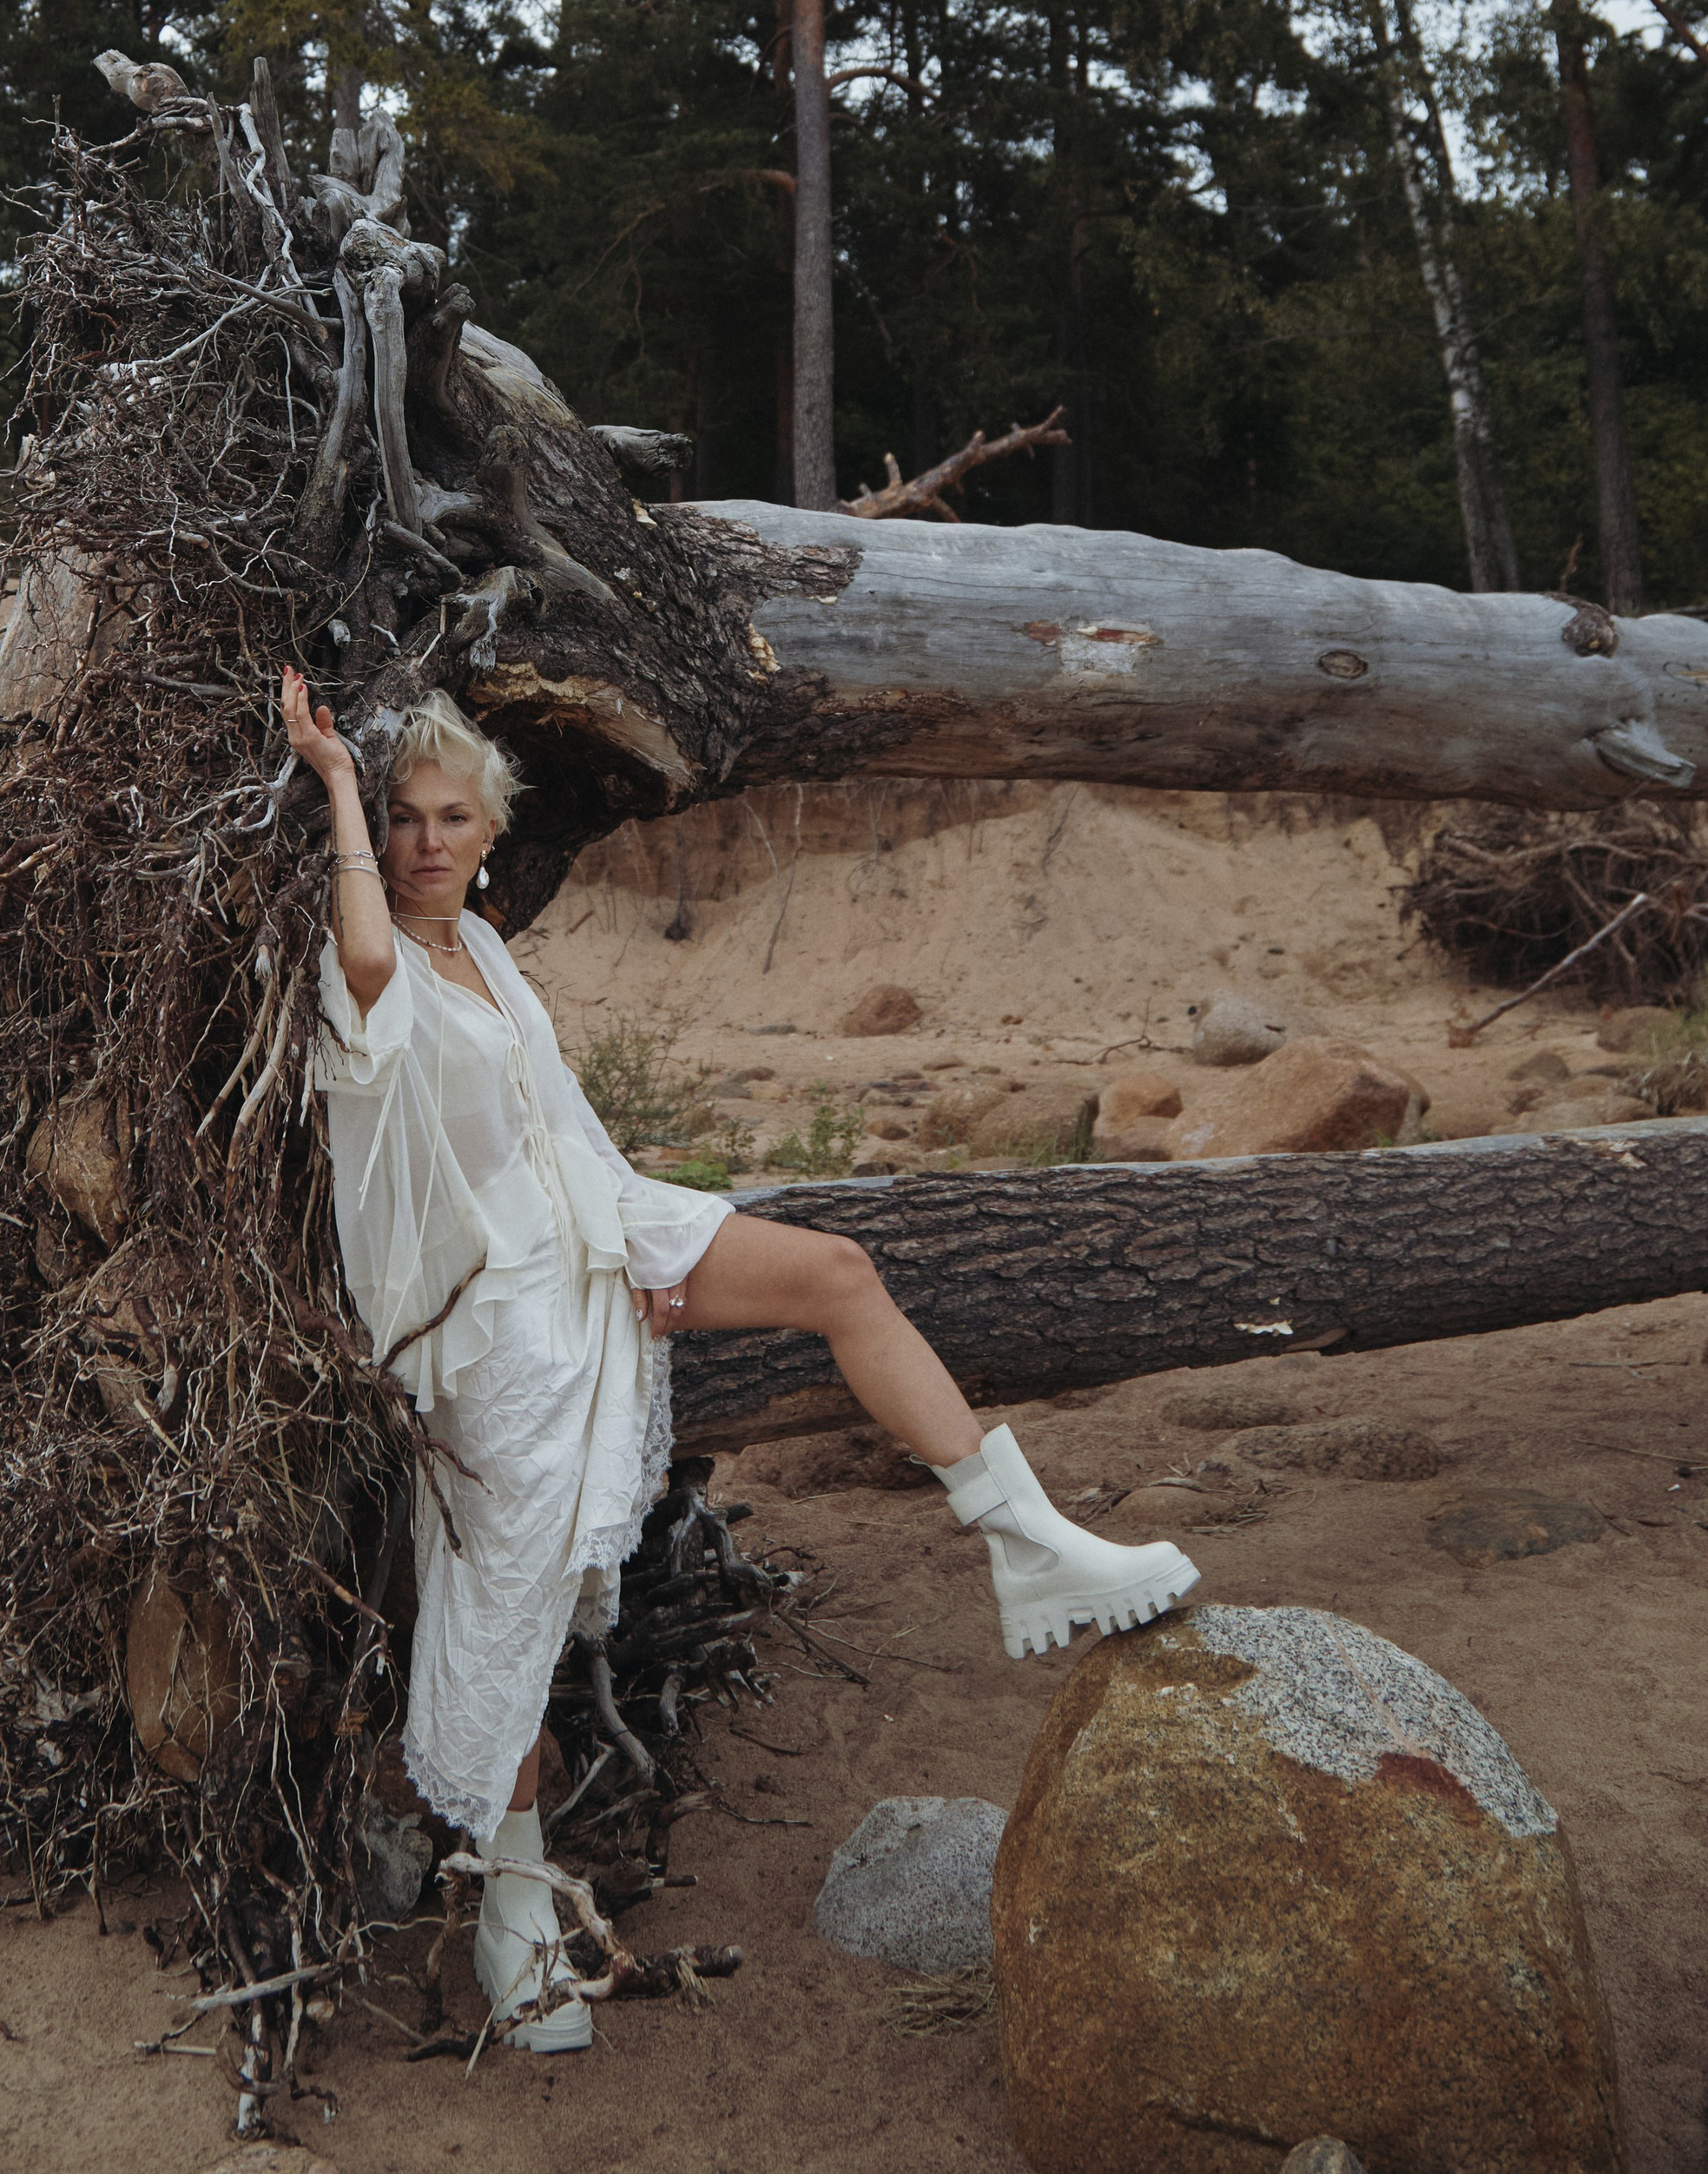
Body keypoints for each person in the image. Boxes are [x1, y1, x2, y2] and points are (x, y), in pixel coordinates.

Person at [283, 671, 1197, 2052]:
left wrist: (642, 1247)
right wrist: (337, 780)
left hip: (593, 1239)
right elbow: (362, 971)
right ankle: (512, 1903)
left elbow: (561, 1123)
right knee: (515, 1628)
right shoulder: (376, 958)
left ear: (488, 832)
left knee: (839, 1272)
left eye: (447, 816)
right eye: (402, 817)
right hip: (488, 1325)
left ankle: (1026, 1539)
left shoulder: (486, 944)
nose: (422, 842)